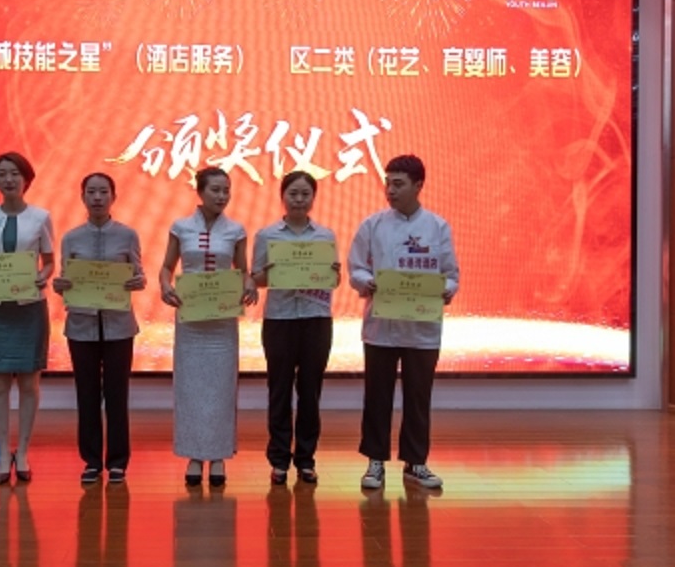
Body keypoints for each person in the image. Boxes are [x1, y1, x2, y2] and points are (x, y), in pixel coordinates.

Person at [348, 154, 460, 489]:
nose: (390, 190)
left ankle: (416, 462)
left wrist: (446, 290)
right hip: (381, 328)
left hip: (422, 330)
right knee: (377, 397)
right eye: (388, 183)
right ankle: (375, 462)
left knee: (418, 397)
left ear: (418, 185)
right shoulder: (372, 225)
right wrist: (367, 281)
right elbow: (356, 267)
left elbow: (450, 274)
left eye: (398, 184)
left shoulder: (437, 227)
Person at [159, 167, 258, 487]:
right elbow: (166, 267)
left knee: (221, 388)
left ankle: (217, 456)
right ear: (200, 192)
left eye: (226, 190)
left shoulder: (236, 230)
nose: (222, 196)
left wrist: (250, 284)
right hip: (190, 320)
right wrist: (165, 286)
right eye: (215, 189)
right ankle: (193, 455)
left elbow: (243, 271)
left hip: (222, 322)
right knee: (190, 387)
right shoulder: (180, 227)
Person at [52, 173, 146, 485]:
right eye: (91, 192)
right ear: (83, 197)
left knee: (118, 396)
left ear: (113, 197)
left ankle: (118, 461)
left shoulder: (128, 235)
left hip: (120, 326)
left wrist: (137, 281)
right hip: (81, 327)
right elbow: (66, 278)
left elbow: (139, 275)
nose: (97, 198)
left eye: (103, 192)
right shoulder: (71, 238)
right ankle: (91, 461)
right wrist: (60, 285)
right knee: (87, 395)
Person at [251, 171, 340, 486]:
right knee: (279, 391)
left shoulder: (325, 236)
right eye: (293, 194)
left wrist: (333, 274)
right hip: (280, 320)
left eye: (305, 194)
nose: (299, 200)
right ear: (283, 196)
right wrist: (268, 273)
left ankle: (306, 460)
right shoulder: (267, 235)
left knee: (310, 392)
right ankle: (279, 460)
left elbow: (334, 281)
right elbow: (255, 279)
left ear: (313, 198)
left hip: (316, 320)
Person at [0, 152, 54, 485]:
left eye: (15, 173)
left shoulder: (41, 217)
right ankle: (4, 452)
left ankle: (24, 451)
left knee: (30, 383)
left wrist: (42, 276)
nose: (9, 179)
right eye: (2, 174)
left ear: (26, 179)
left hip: (29, 307)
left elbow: (49, 261)